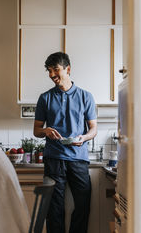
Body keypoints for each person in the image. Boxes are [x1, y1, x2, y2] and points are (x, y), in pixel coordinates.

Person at [33, 52, 97, 233]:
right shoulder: (45, 98)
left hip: (79, 159)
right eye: (49, 70)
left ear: (67, 69)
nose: (52, 74)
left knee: (83, 205)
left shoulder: (86, 97)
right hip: (54, 159)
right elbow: (37, 131)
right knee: (53, 208)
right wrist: (45, 131)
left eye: (56, 69)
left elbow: (93, 129)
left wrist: (83, 138)